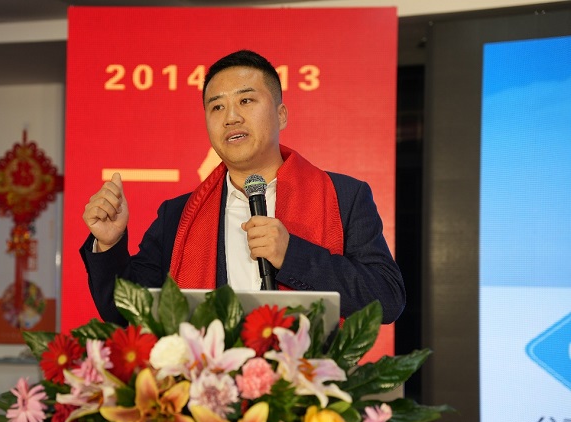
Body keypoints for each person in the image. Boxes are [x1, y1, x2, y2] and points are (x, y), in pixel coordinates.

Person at [81, 49, 405, 325]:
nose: (231, 117)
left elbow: (387, 299)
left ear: (281, 115)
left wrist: (292, 256)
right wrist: (109, 245)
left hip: (308, 379)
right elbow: (127, 312)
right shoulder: (178, 216)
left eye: (246, 100)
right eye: (217, 107)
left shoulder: (344, 197)